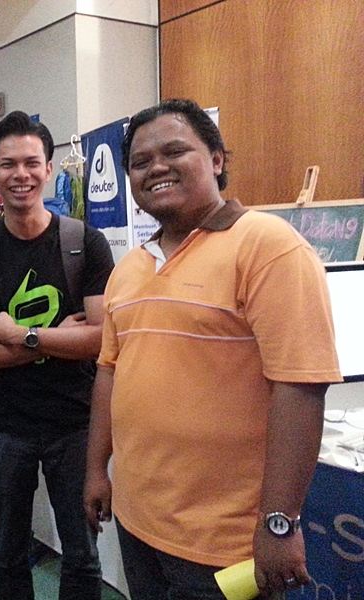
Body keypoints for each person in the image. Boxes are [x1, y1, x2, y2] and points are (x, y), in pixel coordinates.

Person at [83, 99, 342, 599]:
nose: (156, 167)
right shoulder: (130, 267)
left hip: (227, 542)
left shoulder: (269, 247)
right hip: (138, 523)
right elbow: (110, 373)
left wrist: (280, 521)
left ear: (217, 159)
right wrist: (96, 470)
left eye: (174, 151)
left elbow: (301, 388)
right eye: (140, 161)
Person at [0, 111, 114, 600]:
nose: (20, 174)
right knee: (8, 552)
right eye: (8, 165)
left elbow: (101, 339)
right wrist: (55, 339)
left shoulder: (84, 243)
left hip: (75, 422)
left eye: (31, 163)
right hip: (4, 424)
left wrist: (21, 335)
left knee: (82, 554)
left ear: (48, 169)